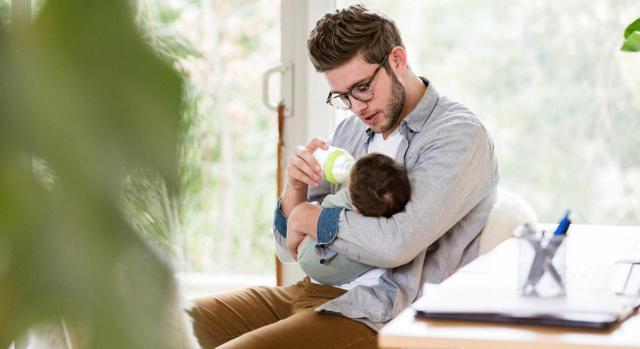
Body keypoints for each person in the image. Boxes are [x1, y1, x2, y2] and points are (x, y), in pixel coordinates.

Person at [188, 4, 498, 349]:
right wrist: (295, 189)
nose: (357, 106)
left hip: (376, 315)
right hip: (311, 292)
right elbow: (287, 249)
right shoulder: (353, 129)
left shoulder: (457, 136)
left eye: (362, 87)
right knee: (165, 320)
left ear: (397, 59)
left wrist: (313, 218)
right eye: (343, 96)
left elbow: (397, 243)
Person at [296, 152, 411, 286]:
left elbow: (325, 207)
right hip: (344, 275)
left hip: (313, 261)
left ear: (355, 207)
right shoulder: (387, 213)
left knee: (317, 209)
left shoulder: (345, 199)